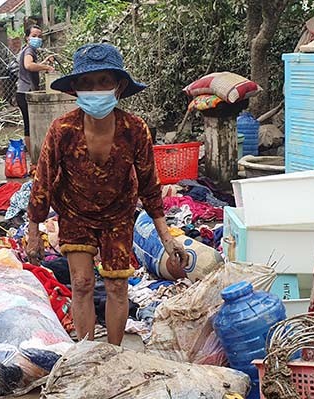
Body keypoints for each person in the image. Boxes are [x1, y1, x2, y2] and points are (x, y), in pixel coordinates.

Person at [25, 43, 188, 346]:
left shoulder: (134, 129)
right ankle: (87, 353)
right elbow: (43, 180)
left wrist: (165, 236)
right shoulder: (62, 129)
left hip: (118, 214)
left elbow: (150, 185)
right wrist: (33, 229)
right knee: (82, 284)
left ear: (119, 86)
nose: (95, 90)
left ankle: (112, 354)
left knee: (116, 287)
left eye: (103, 82)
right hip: (74, 212)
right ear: (75, 88)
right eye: (86, 83)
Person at [15, 25, 54, 158]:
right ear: (27, 38)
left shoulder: (28, 49)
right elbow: (29, 65)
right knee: (30, 127)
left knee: (30, 125)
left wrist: (43, 62)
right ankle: (34, 159)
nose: (37, 39)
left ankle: (35, 158)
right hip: (26, 93)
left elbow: (31, 67)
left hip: (23, 92)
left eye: (39, 36)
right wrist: (47, 67)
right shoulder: (30, 50)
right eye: (34, 36)